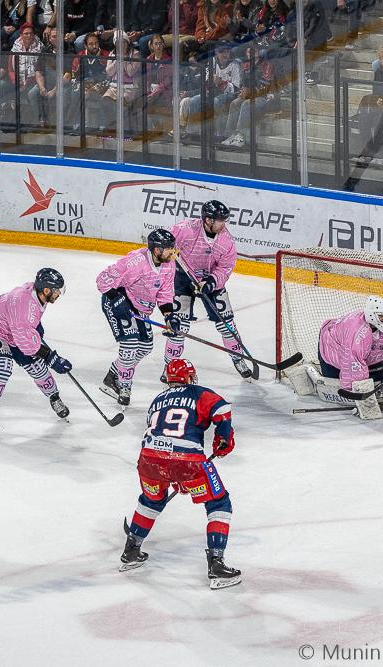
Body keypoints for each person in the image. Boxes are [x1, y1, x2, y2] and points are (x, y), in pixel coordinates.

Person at [120, 358, 241, 589]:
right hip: (187, 461)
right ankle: (216, 564)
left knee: (151, 501)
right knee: (219, 503)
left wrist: (170, 472)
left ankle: (131, 550)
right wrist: (223, 438)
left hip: (149, 460)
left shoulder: (157, 400)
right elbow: (222, 410)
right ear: (189, 377)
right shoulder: (198, 393)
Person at [287, 296, 383, 419]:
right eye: (382, 316)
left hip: (367, 356)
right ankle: (308, 369)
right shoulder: (356, 333)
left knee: (377, 381)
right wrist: (362, 400)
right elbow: (353, 365)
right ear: (372, 316)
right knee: (333, 384)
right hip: (332, 348)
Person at [162, 200, 253, 380]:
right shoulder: (186, 229)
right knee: (179, 327)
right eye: (220, 220)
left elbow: (225, 268)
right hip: (183, 279)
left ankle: (238, 358)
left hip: (210, 281)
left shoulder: (226, 240)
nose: (223, 224)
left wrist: (211, 282)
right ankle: (169, 366)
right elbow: (164, 244)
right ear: (208, 220)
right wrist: (167, 252)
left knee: (226, 324)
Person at [0, 268, 72, 437]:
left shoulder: (37, 294)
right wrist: (51, 357)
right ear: (46, 290)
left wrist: (35, 328)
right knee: (3, 366)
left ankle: (54, 397)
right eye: (57, 290)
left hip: (11, 328)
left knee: (36, 366)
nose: (58, 294)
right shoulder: (24, 304)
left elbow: (26, 323)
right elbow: (25, 342)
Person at [97, 228, 180, 407]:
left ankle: (113, 375)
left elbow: (165, 293)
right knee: (130, 345)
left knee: (145, 347)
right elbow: (102, 279)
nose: (172, 252)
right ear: (157, 250)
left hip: (139, 307)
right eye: (169, 249)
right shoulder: (136, 261)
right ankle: (124, 385)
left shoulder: (169, 265)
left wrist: (169, 316)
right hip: (117, 301)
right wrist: (116, 299)